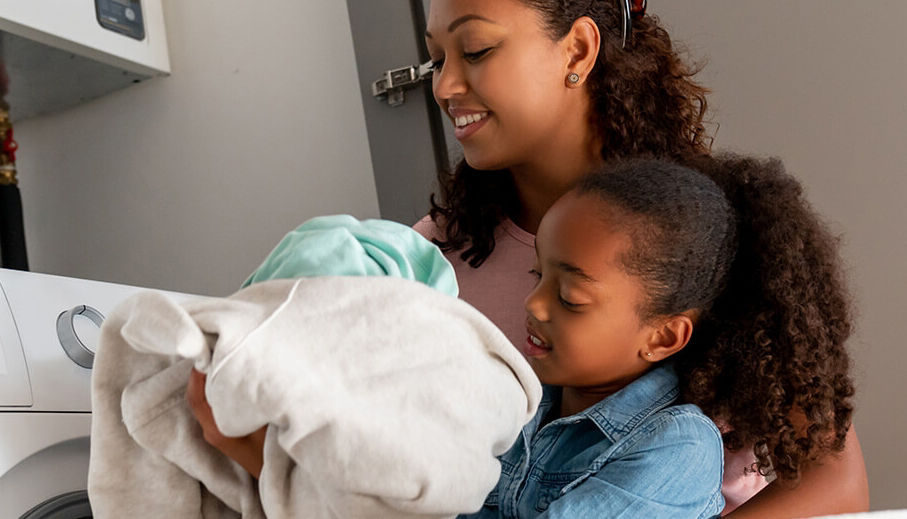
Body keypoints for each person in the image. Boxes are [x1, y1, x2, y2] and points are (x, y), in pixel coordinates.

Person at [414, 0, 869, 516]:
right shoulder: (423, 262)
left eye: (476, 50)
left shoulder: (702, 236)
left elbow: (836, 484)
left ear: (579, 50)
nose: (444, 86)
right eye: (435, 61)